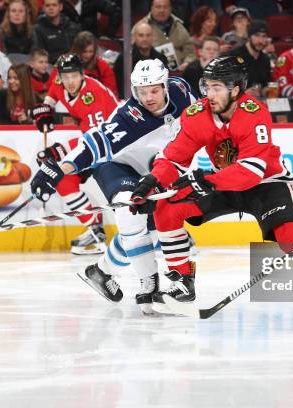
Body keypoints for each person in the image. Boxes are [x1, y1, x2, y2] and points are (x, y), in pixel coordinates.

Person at [128, 56, 293, 325]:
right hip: (223, 181)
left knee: (292, 237)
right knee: (167, 206)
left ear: (235, 89)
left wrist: (207, 181)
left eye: (217, 88)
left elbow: (251, 172)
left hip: (266, 184)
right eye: (207, 87)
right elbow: (173, 158)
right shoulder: (197, 115)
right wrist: (152, 181)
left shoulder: (253, 112)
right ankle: (182, 283)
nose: (209, 94)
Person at [29, 59, 196, 313]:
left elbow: (202, 120)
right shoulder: (128, 118)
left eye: (154, 90)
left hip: (152, 171)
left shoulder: (182, 91)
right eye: (141, 92)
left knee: (152, 229)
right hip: (115, 166)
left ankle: (101, 272)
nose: (148, 97)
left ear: (165, 86)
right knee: (131, 215)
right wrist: (58, 171)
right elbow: (93, 143)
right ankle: (148, 286)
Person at [31, 54, 119, 254]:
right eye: (65, 76)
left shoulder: (94, 95)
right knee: (62, 178)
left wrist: (60, 151)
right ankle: (95, 231)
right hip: (95, 143)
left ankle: (168, 231)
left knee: (56, 162)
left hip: (113, 145)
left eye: (74, 76)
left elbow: (96, 140)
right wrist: (45, 110)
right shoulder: (60, 82)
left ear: (82, 74)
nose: (69, 82)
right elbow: (52, 95)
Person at [136, 0, 196, 71]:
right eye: (158, 7)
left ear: (170, 9)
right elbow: (133, 53)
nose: (162, 10)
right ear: (151, 8)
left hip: (179, 74)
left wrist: (187, 63)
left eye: (165, 7)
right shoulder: (140, 27)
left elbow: (191, 52)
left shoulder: (179, 26)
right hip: (151, 73)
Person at [113, 21, 169, 98]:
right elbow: (121, 88)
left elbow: (165, 85)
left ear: (153, 37)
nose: (145, 39)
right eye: (141, 35)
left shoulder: (161, 58)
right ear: (134, 37)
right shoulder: (124, 59)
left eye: (148, 35)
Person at [60, 31, 118, 97]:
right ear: (77, 50)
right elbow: (56, 88)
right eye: (85, 51)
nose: (88, 55)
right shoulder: (64, 63)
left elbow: (111, 91)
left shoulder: (102, 66)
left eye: (90, 51)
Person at [225, 19, 271, 98]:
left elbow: (265, 84)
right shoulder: (234, 56)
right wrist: (243, 93)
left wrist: (265, 91)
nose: (261, 41)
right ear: (249, 37)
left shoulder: (265, 59)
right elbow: (224, 86)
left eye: (264, 36)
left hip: (259, 103)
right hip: (237, 103)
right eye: (257, 35)